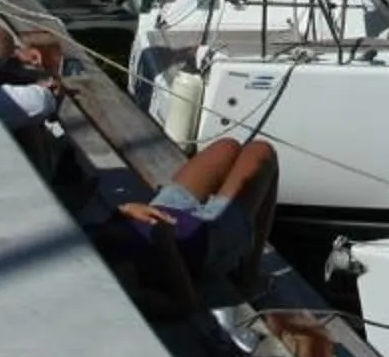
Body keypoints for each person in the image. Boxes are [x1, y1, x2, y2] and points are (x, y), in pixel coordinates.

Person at [98, 135, 282, 321]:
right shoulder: (116, 292)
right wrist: (163, 240)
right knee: (263, 151)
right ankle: (248, 275)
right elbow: (185, 304)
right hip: (209, 242)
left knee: (227, 147)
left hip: (165, 210)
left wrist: (125, 210)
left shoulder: (83, 253)